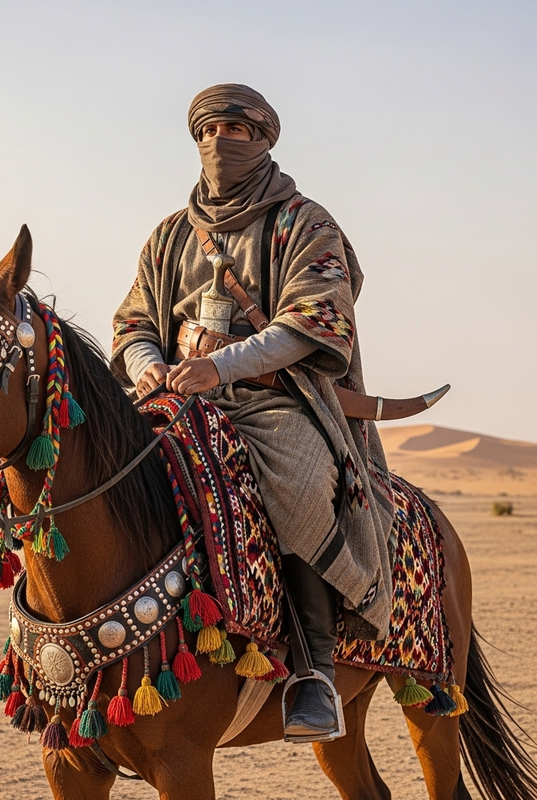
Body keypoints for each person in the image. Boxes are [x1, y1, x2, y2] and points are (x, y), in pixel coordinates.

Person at [111, 83, 394, 740]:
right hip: (173, 394)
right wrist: (146, 363)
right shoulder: (169, 235)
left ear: (266, 139)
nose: (219, 142)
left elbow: (315, 319)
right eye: (207, 131)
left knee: (297, 479)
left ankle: (313, 673)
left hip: (273, 398)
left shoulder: (305, 222)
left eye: (236, 129)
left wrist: (225, 364)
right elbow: (132, 321)